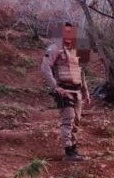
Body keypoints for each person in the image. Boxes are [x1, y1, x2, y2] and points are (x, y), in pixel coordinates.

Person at [40, 22, 91, 161]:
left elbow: (81, 73)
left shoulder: (77, 50)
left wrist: (86, 92)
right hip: (64, 90)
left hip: (77, 91)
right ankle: (68, 151)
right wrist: (55, 86)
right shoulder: (55, 48)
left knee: (77, 121)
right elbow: (45, 67)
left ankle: (74, 149)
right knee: (68, 119)